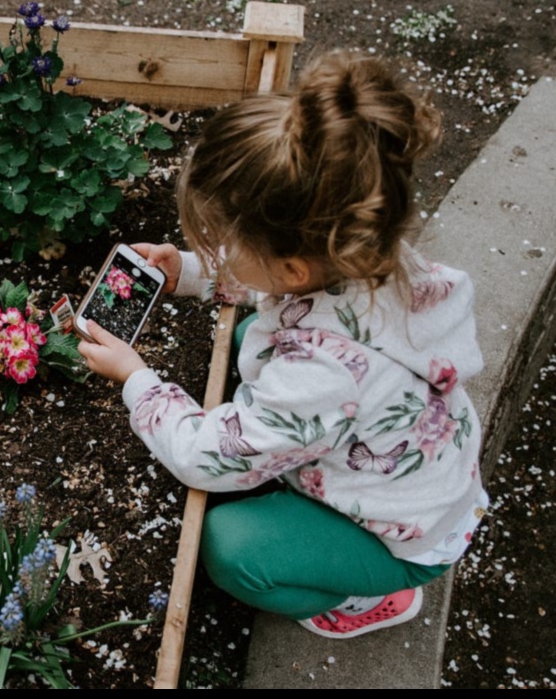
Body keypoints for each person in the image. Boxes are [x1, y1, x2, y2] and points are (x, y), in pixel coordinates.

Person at [78, 52, 488, 638]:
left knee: (230, 547)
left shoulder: (320, 375)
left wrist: (137, 378)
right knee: (252, 335)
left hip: (399, 536)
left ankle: (363, 599)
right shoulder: (371, 253)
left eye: (223, 240)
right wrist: (190, 272)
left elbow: (204, 458)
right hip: (410, 468)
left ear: (293, 266)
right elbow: (281, 288)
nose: (216, 246)